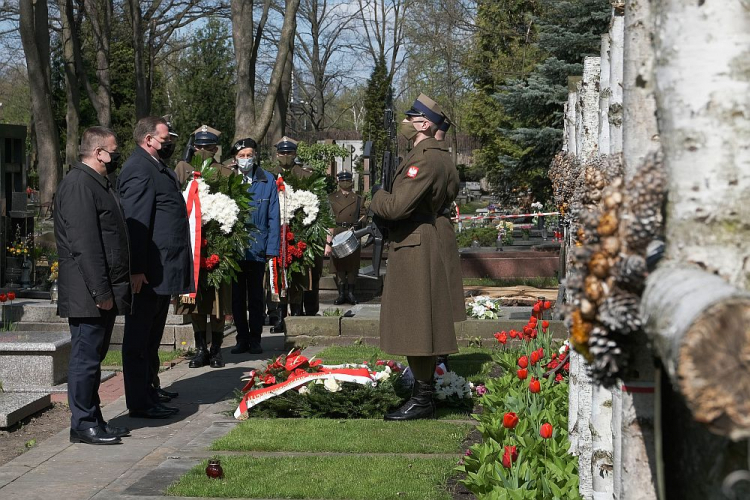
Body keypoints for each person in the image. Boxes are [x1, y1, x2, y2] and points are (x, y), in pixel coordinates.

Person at [369, 94, 458, 421]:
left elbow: (395, 206)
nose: (404, 124)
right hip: (420, 241)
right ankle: (423, 393)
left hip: (415, 245)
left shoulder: (426, 160)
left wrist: (377, 195)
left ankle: (423, 399)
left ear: (423, 123)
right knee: (420, 323)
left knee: (417, 326)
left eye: (410, 118)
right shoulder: (436, 156)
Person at [54, 126, 131, 444]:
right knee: (85, 358)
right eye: (113, 151)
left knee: (94, 357)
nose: (115, 156)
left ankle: (93, 417)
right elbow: (85, 244)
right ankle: (82, 424)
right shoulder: (78, 185)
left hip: (101, 287)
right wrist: (101, 292)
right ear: (98, 152)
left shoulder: (96, 182)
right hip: (89, 291)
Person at [118, 116, 192, 419]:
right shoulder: (138, 168)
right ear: (148, 139)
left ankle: (150, 388)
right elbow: (136, 225)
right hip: (147, 272)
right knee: (139, 338)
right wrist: (136, 269)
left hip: (162, 269)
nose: (169, 143)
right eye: (165, 138)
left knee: (152, 336)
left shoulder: (154, 166)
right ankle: (140, 401)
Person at [173, 125, 234, 369]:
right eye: (198, 147)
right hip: (190, 244)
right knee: (193, 300)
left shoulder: (226, 173)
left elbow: (235, 208)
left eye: (207, 148)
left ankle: (217, 349)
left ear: (215, 149)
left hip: (217, 246)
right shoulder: (183, 169)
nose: (202, 152)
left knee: (217, 302)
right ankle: (201, 349)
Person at [227, 138, 280, 355]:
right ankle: (241, 338)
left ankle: (256, 338)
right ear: (235, 158)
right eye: (242, 156)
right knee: (237, 297)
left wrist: (271, 249)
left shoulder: (267, 180)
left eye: (250, 155)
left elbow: (273, 217)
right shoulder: (229, 180)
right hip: (234, 248)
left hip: (258, 247)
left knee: (257, 296)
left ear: (255, 156)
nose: (246, 159)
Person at [269, 136, 325, 328]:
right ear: (277, 154)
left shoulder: (305, 175)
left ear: (295, 154)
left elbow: (317, 204)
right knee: (276, 274)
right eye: (282, 153)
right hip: (276, 232)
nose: (286, 156)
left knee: (298, 274)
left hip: (298, 233)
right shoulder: (269, 176)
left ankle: (297, 311)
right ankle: (279, 314)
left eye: (289, 153)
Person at [434, 116, 467, 371]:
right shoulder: (440, 158)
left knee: (438, 293)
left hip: (434, 229)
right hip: (435, 228)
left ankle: (440, 356)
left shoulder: (438, 160)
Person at [325, 170, 365, 305]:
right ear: (338, 182)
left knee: (352, 266)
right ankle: (341, 293)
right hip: (337, 232)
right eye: (342, 180)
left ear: (351, 182)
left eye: (347, 180)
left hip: (352, 233)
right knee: (339, 265)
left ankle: (351, 293)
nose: (345, 183)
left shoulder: (358, 199)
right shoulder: (331, 197)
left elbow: (364, 215)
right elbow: (328, 217)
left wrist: (360, 222)